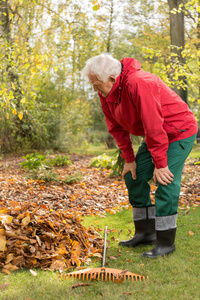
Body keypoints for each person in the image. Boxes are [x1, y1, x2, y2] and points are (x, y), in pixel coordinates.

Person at [81, 53, 198, 258]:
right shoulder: (105, 92)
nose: (94, 88)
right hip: (156, 134)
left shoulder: (140, 83)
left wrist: (161, 164)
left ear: (112, 79)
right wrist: (129, 159)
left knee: (166, 180)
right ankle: (146, 233)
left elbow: (154, 125)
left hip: (178, 131)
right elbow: (115, 127)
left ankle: (165, 243)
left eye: (96, 83)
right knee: (132, 176)